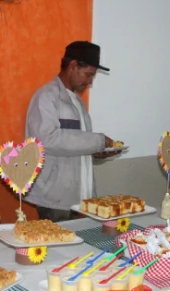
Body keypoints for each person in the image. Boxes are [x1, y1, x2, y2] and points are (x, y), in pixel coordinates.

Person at [25, 41, 120, 222]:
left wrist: (96, 152)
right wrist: (97, 141)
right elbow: (47, 141)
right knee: (58, 248)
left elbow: (73, 144)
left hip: (79, 197)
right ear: (73, 66)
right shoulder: (46, 97)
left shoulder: (77, 101)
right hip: (55, 199)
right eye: (89, 74)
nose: (90, 81)